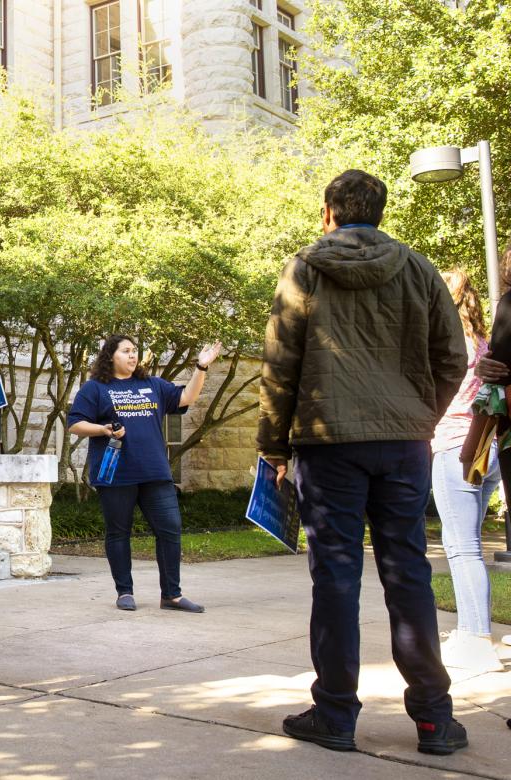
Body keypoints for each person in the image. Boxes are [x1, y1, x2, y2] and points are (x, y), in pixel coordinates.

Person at [258, 169, 469, 755]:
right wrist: (418, 414)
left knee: (336, 577)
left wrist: (274, 446)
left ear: (329, 211)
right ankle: (433, 719)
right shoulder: (419, 268)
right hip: (403, 444)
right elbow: (453, 357)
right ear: (379, 213)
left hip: (329, 445)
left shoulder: (304, 267)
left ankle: (335, 714)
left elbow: (280, 365)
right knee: (408, 575)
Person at [67, 334, 221, 612]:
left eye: (134, 350)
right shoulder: (96, 389)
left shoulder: (153, 385)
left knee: (170, 529)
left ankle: (171, 595)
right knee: (118, 533)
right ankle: (124, 592)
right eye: (125, 351)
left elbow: (187, 397)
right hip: (116, 474)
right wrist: (103, 430)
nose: (132, 355)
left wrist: (201, 367)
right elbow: (75, 424)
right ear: (110, 356)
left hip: (155, 472)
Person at [432, 270, 504, 673]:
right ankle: (472, 632)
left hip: (456, 448)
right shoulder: (482, 343)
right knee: (470, 544)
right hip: (487, 447)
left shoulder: (443, 344)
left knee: (462, 548)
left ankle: (476, 638)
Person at [469, 243, 511, 652]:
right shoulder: (503, 313)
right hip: (500, 438)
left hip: (478, 442)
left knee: (464, 546)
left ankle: (476, 634)